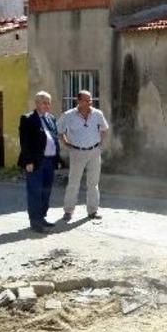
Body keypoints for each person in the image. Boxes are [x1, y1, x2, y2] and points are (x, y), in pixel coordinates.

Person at [57, 90, 109, 221]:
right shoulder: (68, 115)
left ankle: (93, 211)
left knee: (93, 183)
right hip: (77, 152)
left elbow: (104, 129)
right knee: (73, 183)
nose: (89, 102)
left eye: (90, 100)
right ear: (78, 101)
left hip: (94, 152)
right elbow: (59, 130)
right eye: (86, 100)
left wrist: (100, 144)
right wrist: (65, 143)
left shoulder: (97, 114)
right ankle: (68, 211)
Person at [18, 91, 60, 233]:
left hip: (50, 161)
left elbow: (54, 139)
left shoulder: (51, 119)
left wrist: (57, 159)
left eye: (49, 102)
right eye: (45, 102)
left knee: (46, 191)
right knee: (35, 191)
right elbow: (25, 142)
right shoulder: (28, 119)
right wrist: (28, 161)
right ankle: (35, 222)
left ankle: (42, 217)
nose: (48, 105)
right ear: (37, 103)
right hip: (36, 162)